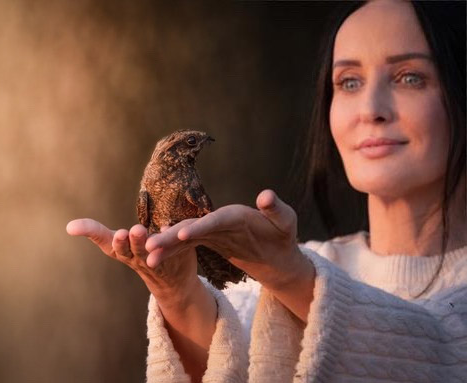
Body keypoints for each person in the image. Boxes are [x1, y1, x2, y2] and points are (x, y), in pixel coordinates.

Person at [67, 0, 467, 381]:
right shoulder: (296, 270)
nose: (370, 108)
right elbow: (232, 359)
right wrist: (178, 294)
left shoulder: (293, 269)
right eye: (348, 82)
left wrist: (287, 273)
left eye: (410, 77)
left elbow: (444, 355)